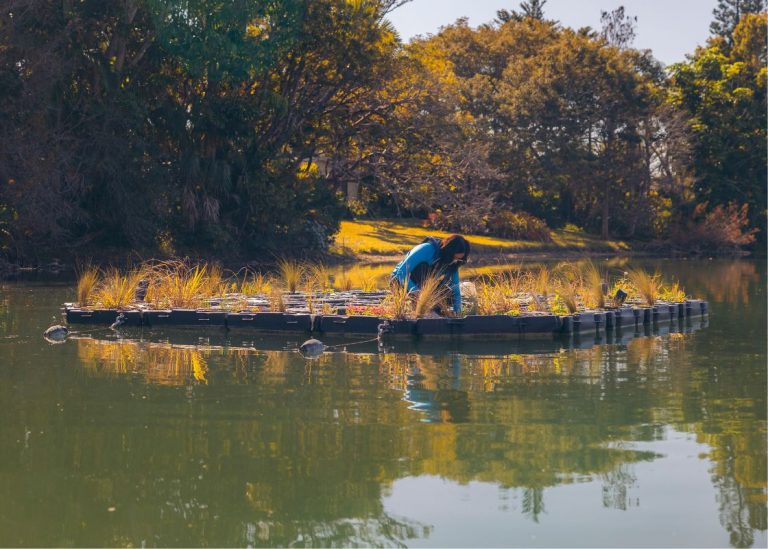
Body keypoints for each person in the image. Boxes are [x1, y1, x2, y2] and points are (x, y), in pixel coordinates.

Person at [390, 235, 470, 315]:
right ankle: (416, 307)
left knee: (449, 293)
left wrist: (458, 312)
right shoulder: (426, 249)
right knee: (423, 267)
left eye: (458, 259)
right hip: (400, 282)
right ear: (449, 252)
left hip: (423, 289)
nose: (455, 261)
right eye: (454, 258)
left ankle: (431, 310)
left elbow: (455, 290)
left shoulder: (452, 263)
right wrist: (418, 293)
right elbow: (401, 273)